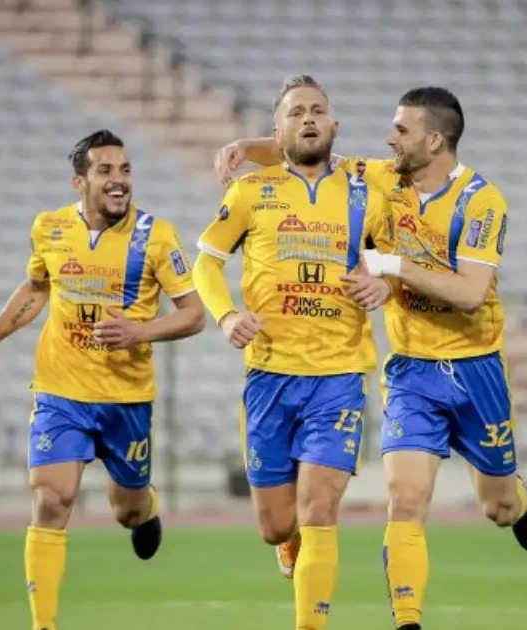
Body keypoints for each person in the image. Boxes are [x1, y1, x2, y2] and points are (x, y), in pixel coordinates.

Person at [215, 86, 527, 630]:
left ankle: (517, 497)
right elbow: (310, 151)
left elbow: (469, 293)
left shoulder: (482, 201)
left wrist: (389, 265)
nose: (389, 139)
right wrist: (248, 147)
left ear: (434, 141)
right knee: (405, 497)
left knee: (498, 507)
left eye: (401, 130)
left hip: (476, 368)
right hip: (412, 371)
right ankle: (408, 620)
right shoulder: (383, 178)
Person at [0, 129, 206, 630]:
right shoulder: (50, 228)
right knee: (50, 499)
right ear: (80, 182)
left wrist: (139, 331)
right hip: (61, 392)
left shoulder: (157, 236)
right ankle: (44, 625)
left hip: (126, 398)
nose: (119, 180)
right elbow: (37, 288)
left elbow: (194, 315)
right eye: (105, 171)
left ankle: (146, 505)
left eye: (125, 170)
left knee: (127, 511)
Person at [192, 75, 391, 630]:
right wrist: (227, 316)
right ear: (277, 131)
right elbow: (205, 263)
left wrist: (385, 283)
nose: (308, 118)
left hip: (339, 376)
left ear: (334, 125)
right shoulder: (251, 192)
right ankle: (287, 540)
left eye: (317, 110)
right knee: (276, 525)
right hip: (270, 376)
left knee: (320, 508)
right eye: (296, 112)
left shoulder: (367, 190)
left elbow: (397, 261)